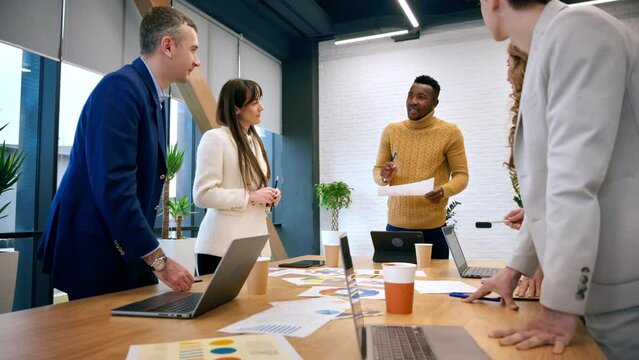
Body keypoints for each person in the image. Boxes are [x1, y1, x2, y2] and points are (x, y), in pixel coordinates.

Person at [467, 1, 639, 357]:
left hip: (624, 291)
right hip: (607, 288)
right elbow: (547, 193)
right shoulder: (552, 43)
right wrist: (514, 270)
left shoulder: (577, 27)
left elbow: (572, 184)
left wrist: (558, 306)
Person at [37, 6, 199, 300]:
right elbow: (114, 185)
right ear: (168, 45)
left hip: (122, 249)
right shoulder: (121, 88)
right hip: (95, 250)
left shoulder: (152, 96)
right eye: (193, 50)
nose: (196, 61)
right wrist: (159, 262)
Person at [372, 75, 469, 259]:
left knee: (434, 287)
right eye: (410, 95)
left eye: (421, 97)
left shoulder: (450, 132)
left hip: (432, 231)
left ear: (435, 103)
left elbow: (461, 176)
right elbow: (377, 171)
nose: (413, 102)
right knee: (394, 286)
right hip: (395, 229)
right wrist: (384, 176)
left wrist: (443, 190)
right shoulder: (392, 130)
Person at [192, 79, 280, 275]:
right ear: (236, 109)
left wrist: (268, 197)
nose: (262, 107)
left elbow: (254, 190)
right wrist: (251, 196)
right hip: (221, 247)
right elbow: (203, 195)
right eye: (254, 102)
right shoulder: (215, 139)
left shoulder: (257, 143)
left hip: (254, 245)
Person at [504, 43, 543, 298]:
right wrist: (531, 215)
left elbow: (558, 197)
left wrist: (536, 264)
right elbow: (546, 197)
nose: (506, 73)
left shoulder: (540, 110)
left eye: (508, 64)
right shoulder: (530, 108)